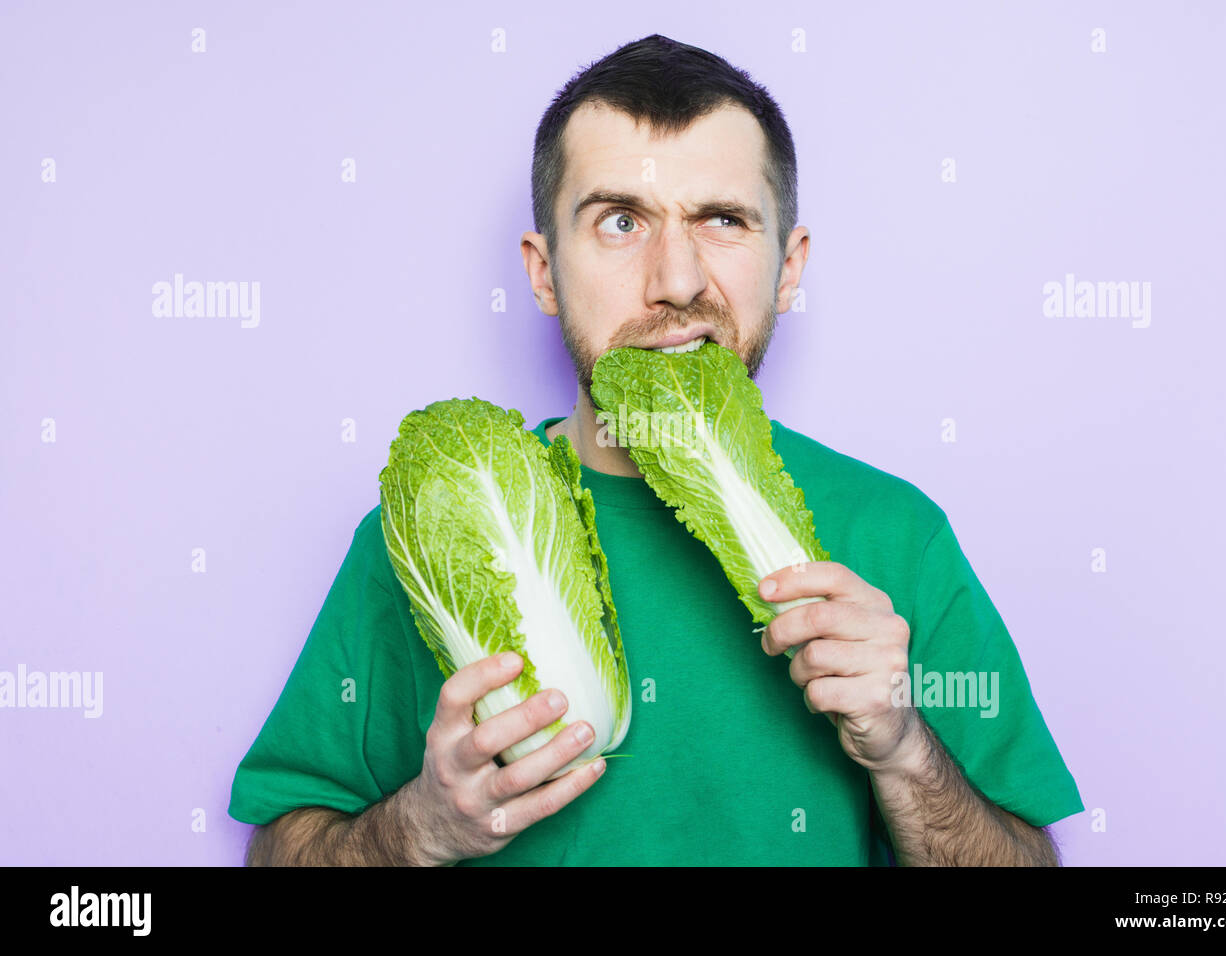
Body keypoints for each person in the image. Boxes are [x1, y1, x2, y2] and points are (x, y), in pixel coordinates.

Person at [229, 34, 1083, 866]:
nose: (676, 280)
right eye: (620, 221)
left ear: (789, 268)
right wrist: (418, 831)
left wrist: (904, 750)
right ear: (541, 271)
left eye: (721, 219)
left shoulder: (897, 536)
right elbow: (276, 850)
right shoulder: (425, 527)